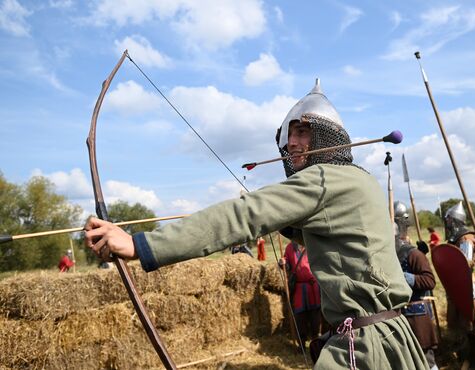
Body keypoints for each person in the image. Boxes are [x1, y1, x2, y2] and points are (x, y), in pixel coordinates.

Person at [84, 79, 428, 369]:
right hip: (394, 338)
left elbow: (243, 215)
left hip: (363, 347)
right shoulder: (360, 181)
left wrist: (140, 245)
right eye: (289, 135)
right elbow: (339, 242)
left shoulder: (324, 178)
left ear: (327, 138)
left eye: (304, 132)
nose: (292, 142)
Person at [443, 201, 475, 363]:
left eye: (448, 220)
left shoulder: (465, 238)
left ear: (454, 220)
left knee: (472, 325)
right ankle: (469, 358)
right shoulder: (457, 238)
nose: (447, 223)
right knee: (462, 325)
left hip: (467, 287)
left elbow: (464, 263)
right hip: (458, 287)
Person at [395, 202, 439, 370]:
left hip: (417, 316)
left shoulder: (414, 254)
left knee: (426, 359)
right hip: (398, 317)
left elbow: (429, 281)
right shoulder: (388, 255)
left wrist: (404, 277)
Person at [279, 241, 322, 342]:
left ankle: (316, 340)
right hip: (299, 288)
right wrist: (283, 263)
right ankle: (301, 343)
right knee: (299, 317)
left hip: (313, 287)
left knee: (315, 316)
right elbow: (287, 263)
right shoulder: (290, 247)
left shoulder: (312, 243)